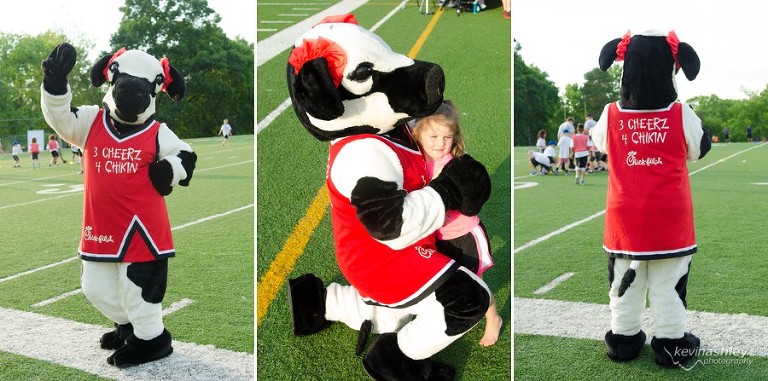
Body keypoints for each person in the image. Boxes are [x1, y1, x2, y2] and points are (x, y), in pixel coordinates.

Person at [412, 100, 503, 347]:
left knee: (474, 283)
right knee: (445, 282)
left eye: (447, 137)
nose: (440, 143)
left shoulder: (455, 164)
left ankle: (493, 317)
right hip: (438, 238)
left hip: (465, 235)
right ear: (417, 133)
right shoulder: (415, 161)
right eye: (433, 136)